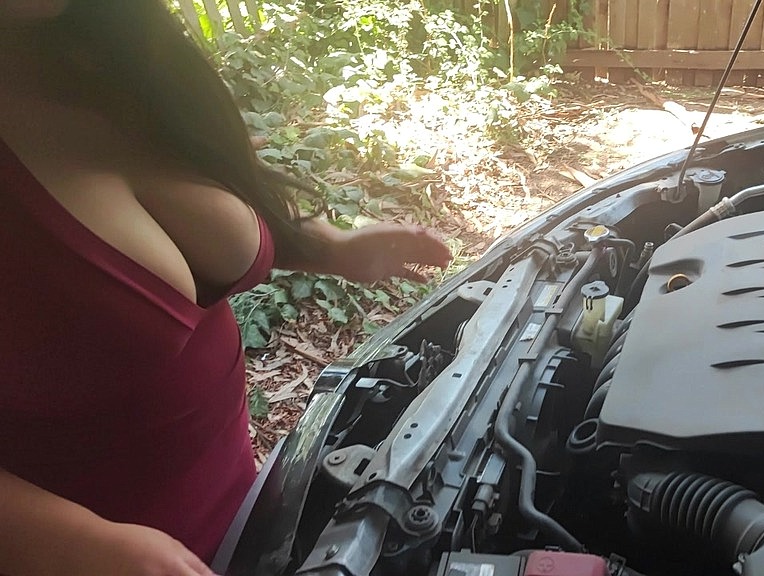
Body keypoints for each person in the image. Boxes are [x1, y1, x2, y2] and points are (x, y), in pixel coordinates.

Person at [0, 1, 452, 574]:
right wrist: (79, 544)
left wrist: (330, 248)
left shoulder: (110, 53)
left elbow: (203, 221)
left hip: (250, 516)